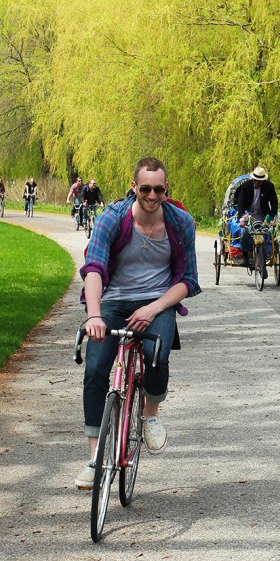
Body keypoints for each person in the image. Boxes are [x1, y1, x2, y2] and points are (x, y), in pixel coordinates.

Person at [75, 156, 200, 489]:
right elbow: (94, 270)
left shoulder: (181, 223)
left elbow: (188, 280)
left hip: (158, 302)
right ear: (134, 187)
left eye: (158, 189)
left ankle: (150, 416)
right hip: (114, 301)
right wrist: (94, 316)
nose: (152, 195)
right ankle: (93, 459)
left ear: (166, 188)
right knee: (96, 367)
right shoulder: (111, 219)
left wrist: (154, 308)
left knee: (156, 352)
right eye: (145, 188)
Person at [235, 166, 279, 264]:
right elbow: (241, 203)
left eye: (259, 181)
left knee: (265, 233)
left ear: (263, 181)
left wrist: (273, 218)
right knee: (244, 233)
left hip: (263, 216)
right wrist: (241, 219)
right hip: (248, 215)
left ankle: (264, 253)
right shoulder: (245, 186)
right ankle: (246, 255)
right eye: (255, 180)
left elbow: (274, 203)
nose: (256, 183)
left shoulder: (269, 187)